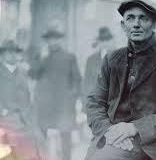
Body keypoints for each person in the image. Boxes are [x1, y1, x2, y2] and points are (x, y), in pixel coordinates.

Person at [85, 0, 156, 160]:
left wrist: (134, 128)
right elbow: (94, 102)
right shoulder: (111, 59)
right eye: (130, 18)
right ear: (123, 25)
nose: (136, 24)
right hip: (113, 139)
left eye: (143, 18)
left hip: (154, 146)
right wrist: (109, 131)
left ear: (154, 25)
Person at [28, 29, 82, 160]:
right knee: (41, 138)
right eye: (50, 39)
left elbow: (77, 80)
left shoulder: (69, 57)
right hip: (45, 106)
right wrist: (40, 57)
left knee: (66, 140)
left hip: (64, 105)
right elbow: (33, 74)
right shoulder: (43, 58)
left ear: (60, 40)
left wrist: (71, 98)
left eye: (56, 38)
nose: (53, 42)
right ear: (47, 41)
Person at [0, 40, 40, 159]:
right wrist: (3, 111)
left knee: (29, 151)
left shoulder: (22, 72)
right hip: (5, 120)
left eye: (14, 52)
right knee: (6, 153)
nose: (12, 55)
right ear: (2, 55)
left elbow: (28, 95)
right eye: (8, 52)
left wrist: (28, 113)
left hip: (24, 119)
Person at [83, 26, 114, 108]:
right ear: (99, 42)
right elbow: (87, 83)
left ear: (112, 41)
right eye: (102, 40)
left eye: (107, 40)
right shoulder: (91, 60)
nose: (105, 43)